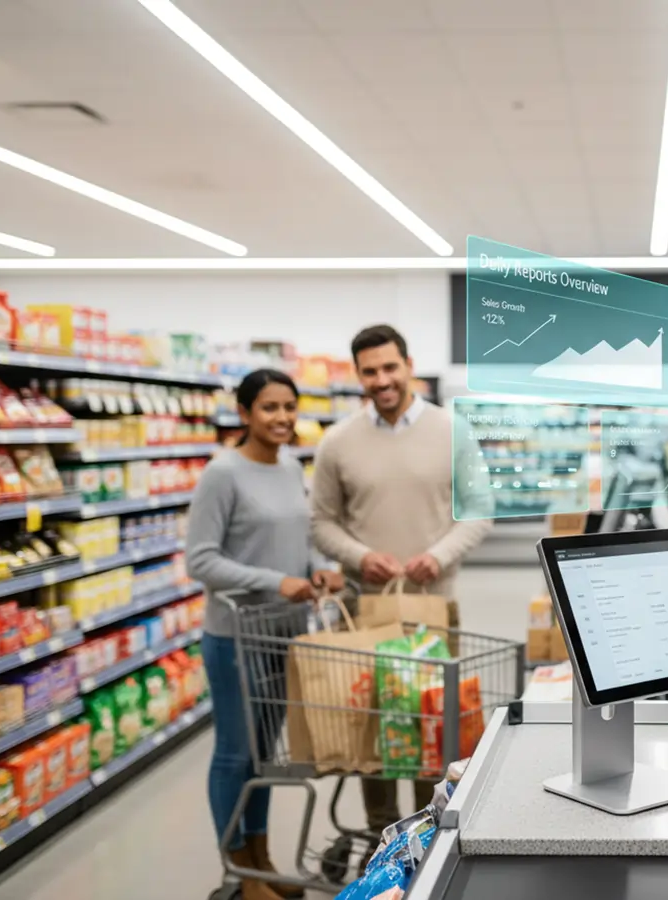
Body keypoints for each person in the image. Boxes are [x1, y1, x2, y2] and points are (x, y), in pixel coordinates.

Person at [311, 324, 493, 835]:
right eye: (370, 371)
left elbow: (479, 511)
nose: (382, 380)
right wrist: (360, 554)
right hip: (368, 610)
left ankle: (427, 832)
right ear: (358, 376)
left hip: (434, 606)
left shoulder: (451, 430)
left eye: (390, 367)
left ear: (408, 365)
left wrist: (437, 556)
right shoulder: (338, 442)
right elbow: (321, 521)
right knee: (376, 733)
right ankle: (377, 837)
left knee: (433, 726)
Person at [187, 369, 343, 900]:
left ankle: (262, 854)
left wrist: (318, 568)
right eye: (269, 407)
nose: (281, 418)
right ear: (245, 412)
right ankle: (240, 871)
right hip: (234, 636)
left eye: (288, 407)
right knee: (235, 753)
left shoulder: (289, 466)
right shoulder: (222, 473)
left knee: (265, 756)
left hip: (284, 635)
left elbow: (296, 541)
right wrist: (278, 582)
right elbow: (201, 560)